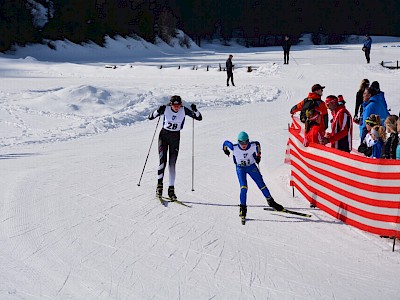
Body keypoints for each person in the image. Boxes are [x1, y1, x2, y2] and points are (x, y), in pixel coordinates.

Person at [149, 95, 202, 199]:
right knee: (162, 162)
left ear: (181, 104)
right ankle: (159, 187)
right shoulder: (166, 108)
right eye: (174, 105)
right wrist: (157, 111)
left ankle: (171, 190)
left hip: (175, 138)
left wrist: (195, 110)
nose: (176, 107)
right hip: (164, 136)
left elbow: (199, 117)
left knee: (172, 164)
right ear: (171, 104)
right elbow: (150, 117)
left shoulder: (184, 110)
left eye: (178, 105)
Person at [222, 131, 284, 219]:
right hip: (241, 168)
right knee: (244, 188)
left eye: (246, 142)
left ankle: (271, 202)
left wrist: (258, 155)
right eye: (241, 143)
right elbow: (225, 143)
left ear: (248, 141)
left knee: (261, 185)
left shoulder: (252, 145)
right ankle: (243, 208)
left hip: (251, 166)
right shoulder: (234, 147)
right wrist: (225, 150)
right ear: (238, 142)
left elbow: (258, 144)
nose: (244, 145)